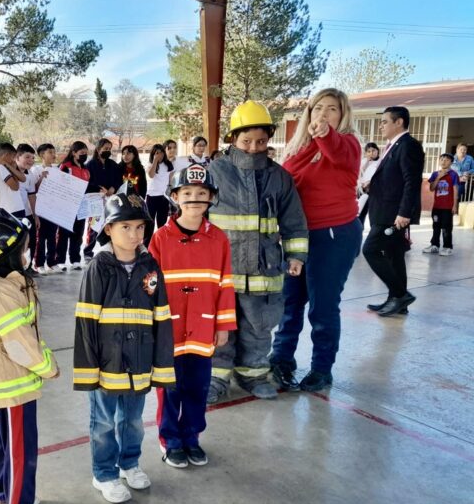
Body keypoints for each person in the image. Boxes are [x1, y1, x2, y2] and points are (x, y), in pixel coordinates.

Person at [73, 193, 174, 504]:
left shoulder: (150, 266)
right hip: (107, 364)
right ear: (108, 229)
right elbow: (86, 321)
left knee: (132, 420)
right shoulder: (99, 267)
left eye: (140, 228)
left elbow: (162, 318)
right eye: (125, 227)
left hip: (140, 363)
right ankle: (104, 473)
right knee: (103, 422)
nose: (134, 235)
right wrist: (89, 371)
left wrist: (160, 365)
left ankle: (129, 463)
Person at [207, 100, 308, 401]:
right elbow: (195, 215)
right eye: (246, 140)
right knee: (220, 329)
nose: (253, 147)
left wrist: (296, 256)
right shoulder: (216, 171)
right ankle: (216, 379)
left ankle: (253, 374)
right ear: (233, 139)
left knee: (259, 328)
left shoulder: (280, 177)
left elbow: (294, 221)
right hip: (224, 271)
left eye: (261, 141)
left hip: (265, 272)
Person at [0, 209, 61, 504]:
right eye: (22, 249)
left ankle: (0, 492)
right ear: (7, 256)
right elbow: (20, 343)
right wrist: (48, 367)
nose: (26, 253)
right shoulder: (1, 291)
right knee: (21, 450)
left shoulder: (6, 282)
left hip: (4, 380)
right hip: (14, 381)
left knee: (3, 439)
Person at [269, 88, 362, 393]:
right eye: (317, 108)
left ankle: (322, 368)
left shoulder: (347, 144)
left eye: (331, 109)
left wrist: (325, 134)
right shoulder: (298, 150)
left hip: (333, 234)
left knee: (322, 307)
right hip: (298, 238)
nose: (323, 114)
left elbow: (336, 149)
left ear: (343, 113)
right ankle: (282, 357)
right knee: (290, 302)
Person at [149, 164, 236, 468]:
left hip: (202, 328)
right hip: (169, 330)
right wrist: (152, 323)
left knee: (197, 387)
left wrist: (223, 325)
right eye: (187, 193)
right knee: (169, 389)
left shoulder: (219, 240)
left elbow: (226, 284)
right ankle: (170, 440)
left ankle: (192, 437)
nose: (194, 199)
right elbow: (150, 285)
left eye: (201, 193)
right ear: (174, 197)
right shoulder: (160, 239)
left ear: (211, 198)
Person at [362, 106, 424, 317]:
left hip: (393, 214)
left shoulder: (408, 145)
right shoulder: (393, 146)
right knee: (394, 256)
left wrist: (404, 212)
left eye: (385, 121)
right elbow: (393, 178)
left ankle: (400, 294)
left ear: (399, 122)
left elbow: (411, 181)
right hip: (385, 210)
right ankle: (397, 302)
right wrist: (373, 185)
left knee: (370, 250)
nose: (381, 125)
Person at [83, 138, 122, 261]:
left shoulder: (113, 164)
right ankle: (88, 252)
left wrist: (113, 188)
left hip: (110, 200)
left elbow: (119, 180)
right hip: (95, 199)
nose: (108, 151)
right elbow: (87, 182)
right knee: (94, 226)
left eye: (109, 149)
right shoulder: (90, 165)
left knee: (110, 225)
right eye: (105, 149)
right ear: (98, 149)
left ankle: (109, 249)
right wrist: (99, 189)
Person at [56, 141, 91, 271]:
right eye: (82, 153)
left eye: (86, 153)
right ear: (74, 153)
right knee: (64, 234)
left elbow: (88, 187)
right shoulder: (65, 166)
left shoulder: (86, 169)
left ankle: (75, 259)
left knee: (78, 233)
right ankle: (60, 260)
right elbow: (59, 184)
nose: (84, 155)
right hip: (67, 206)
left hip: (81, 207)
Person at [423, 152, 459, 256]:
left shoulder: (453, 174)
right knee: (436, 226)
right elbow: (431, 188)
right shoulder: (435, 174)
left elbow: (455, 190)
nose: (444, 161)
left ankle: (447, 247)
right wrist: (438, 177)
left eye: (447, 160)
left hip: (448, 207)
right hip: (437, 206)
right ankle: (434, 245)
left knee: (446, 227)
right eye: (442, 159)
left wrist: (455, 205)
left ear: (451, 162)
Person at [34, 143, 62, 274]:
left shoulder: (57, 171)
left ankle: (52, 262)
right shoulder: (36, 170)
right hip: (41, 209)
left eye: (53, 152)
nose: (53, 155)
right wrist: (41, 178)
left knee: (52, 237)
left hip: (54, 209)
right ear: (42, 155)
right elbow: (33, 190)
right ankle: (39, 264)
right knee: (41, 238)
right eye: (50, 152)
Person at [15, 144, 40, 269]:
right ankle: (16, 267)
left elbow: (32, 195)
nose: (30, 160)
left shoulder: (30, 175)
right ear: (17, 157)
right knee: (16, 243)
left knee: (32, 241)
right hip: (13, 214)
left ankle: (29, 267)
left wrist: (35, 216)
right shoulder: (8, 172)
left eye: (32, 158)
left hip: (28, 214)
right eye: (27, 157)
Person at [145, 143, 175, 243]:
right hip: (152, 197)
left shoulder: (168, 165)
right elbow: (151, 175)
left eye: (161, 152)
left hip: (164, 197)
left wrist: (170, 190)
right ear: (153, 154)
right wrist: (155, 161)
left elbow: (170, 178)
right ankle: (147, 244)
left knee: (162, 222)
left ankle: (161, 242)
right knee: (150, 223)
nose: (159, 155)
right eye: (157, 153)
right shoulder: (150, 164)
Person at [0, 142, 27, 217]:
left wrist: (10, 166)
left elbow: (23, 179)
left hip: (7, 209)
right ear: (6, 155)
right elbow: (15, 187)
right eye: (13, 156)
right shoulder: (0, 168)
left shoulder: (0, 167)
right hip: (12, 209)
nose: (14, 160)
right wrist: (13, 171)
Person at [358, 142, 381, 223]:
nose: (371, 153)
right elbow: (359, 174)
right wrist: (367, 162)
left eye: (373, 150)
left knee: (374, 215)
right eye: (369, 151)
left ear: (378, 151)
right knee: (360, 213)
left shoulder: (381, 162)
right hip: (362, 191)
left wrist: (370, 182)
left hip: (374, 192)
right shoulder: (363, 161)